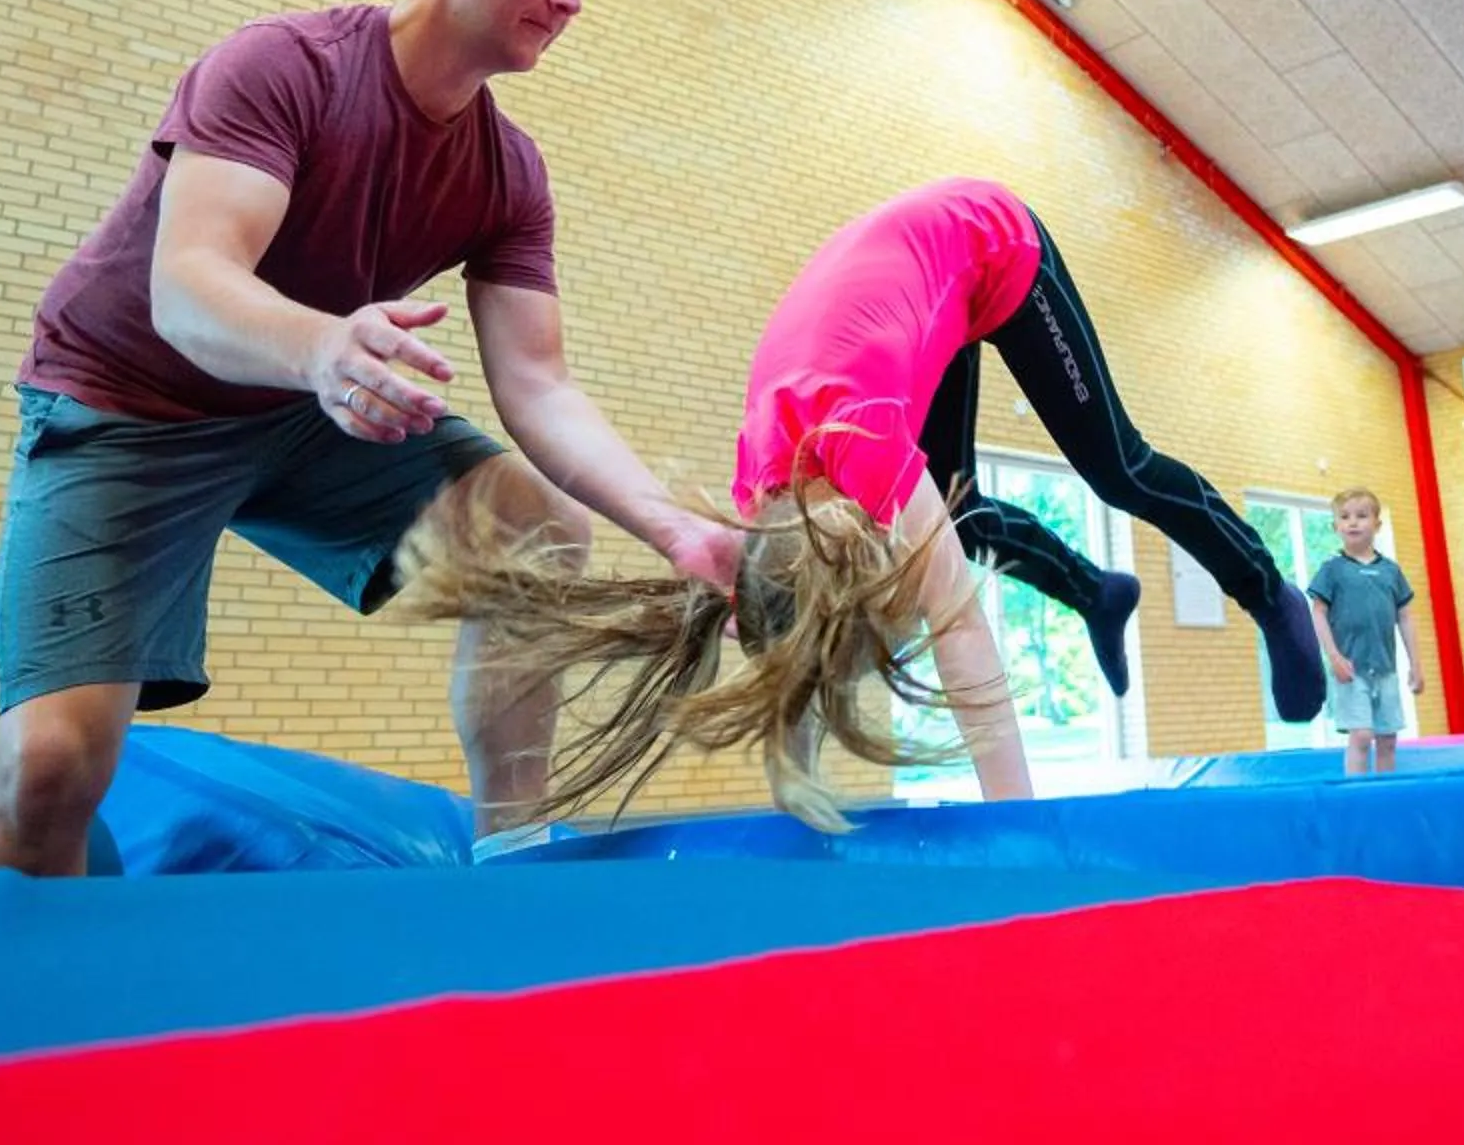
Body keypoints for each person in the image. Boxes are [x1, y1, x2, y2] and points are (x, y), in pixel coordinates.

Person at [0, 0, 741, 879]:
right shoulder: (285, 64)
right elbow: (189, 285)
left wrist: (676, 527)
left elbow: (539, 383)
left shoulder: (508, 170)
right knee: (50, 767)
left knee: (540, 520)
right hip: (131, 401)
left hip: (302, 410)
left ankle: (510, 857)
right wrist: (326, 344)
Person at [388, 178, 1331, 827]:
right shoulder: (758, 513)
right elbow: (788, 648)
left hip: (986, 245)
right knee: (955, 524)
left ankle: (1266, 591)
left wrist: (1021, 824)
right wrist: (797, 793)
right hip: (909, 298)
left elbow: (962, 635)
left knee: (1115, 467)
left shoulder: (872, 452)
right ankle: (1095, 591)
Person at [1307, 486, 1418, 775]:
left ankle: (1383, 792)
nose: (1353, 522)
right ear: (1336, 527)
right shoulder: (1332, 569)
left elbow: (1405, 617)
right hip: (1350, 667)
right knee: (1361, 735)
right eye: (1345, 517)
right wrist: (1333, 656)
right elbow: (1318, 612)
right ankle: (1355, 791)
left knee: (1388, 737)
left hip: (1385, 667)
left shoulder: (1390, 571)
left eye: (1361, 515)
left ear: (1377, 524)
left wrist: (1415, 664)